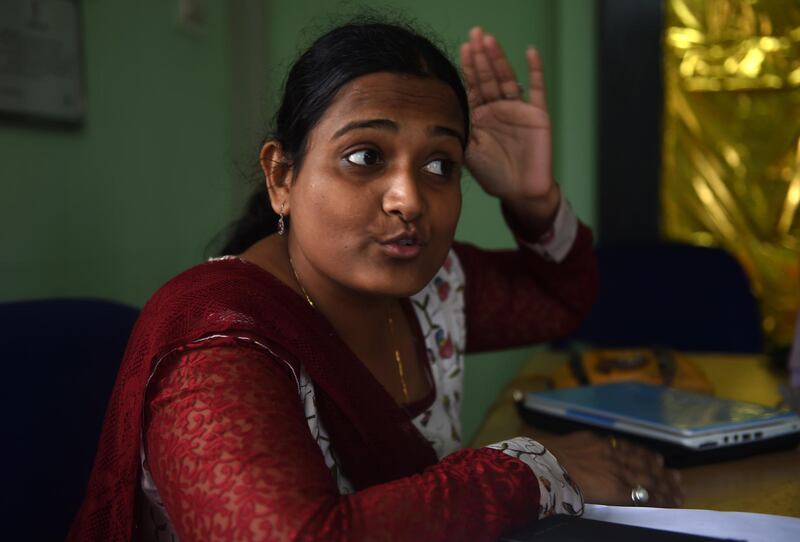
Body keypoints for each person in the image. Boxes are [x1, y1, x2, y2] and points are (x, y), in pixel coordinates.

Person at [68, 20, 682, 542]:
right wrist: (533, 471)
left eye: (440, 164)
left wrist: (534, 198)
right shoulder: (220, 341)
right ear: (282, 176)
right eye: (365, 156)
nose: (409, 198)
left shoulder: (431, 289)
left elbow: (558, 298)